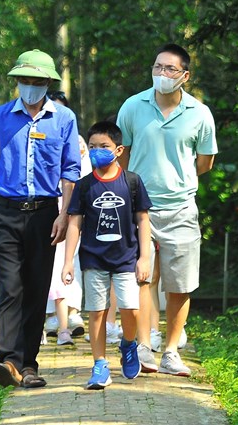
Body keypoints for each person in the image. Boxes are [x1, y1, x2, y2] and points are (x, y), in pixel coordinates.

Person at [0, 49, 81, 389]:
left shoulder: (63, 119)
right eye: (24, 81)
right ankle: (8, 360)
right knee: (10, 287)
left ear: (48, 84)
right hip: (5, 211)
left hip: (46, 214)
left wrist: (64, 215)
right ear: (16, 83)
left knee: (35, 291)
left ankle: (29, 365)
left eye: (37, 82)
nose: (30, 88)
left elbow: (70, 171)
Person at [116, 43, 217, 377]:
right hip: (139, 209)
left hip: (182, 208)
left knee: (180, 284)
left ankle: (172, 351)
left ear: (185, 75)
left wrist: (177, 178)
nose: (162, 74)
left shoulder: (200, 114)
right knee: (142, 278)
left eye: (170, 69)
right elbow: (122, 155)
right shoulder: (132, 107)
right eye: (157, 67)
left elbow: (204, 163)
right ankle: (144, 347)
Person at [62, 120, 152, 389]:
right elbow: (75, 224)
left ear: (119, 149)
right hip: (93, 258)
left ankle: (128, 344)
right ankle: (100, 364)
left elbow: (143, 221)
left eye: (104, 146)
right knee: (97, 312)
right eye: (92, 147)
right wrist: (68, 261)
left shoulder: (132, 182)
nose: (97, 151)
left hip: (126, 257)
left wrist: (144, 257)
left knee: (131, 310)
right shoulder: (84, 185)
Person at [43, 90, 90, 346]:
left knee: (71, 261)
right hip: (45, 205)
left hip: (71, 209)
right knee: (48, 260)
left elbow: (82, 174)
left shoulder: (78, 140)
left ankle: (73, 312)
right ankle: (51, 313)